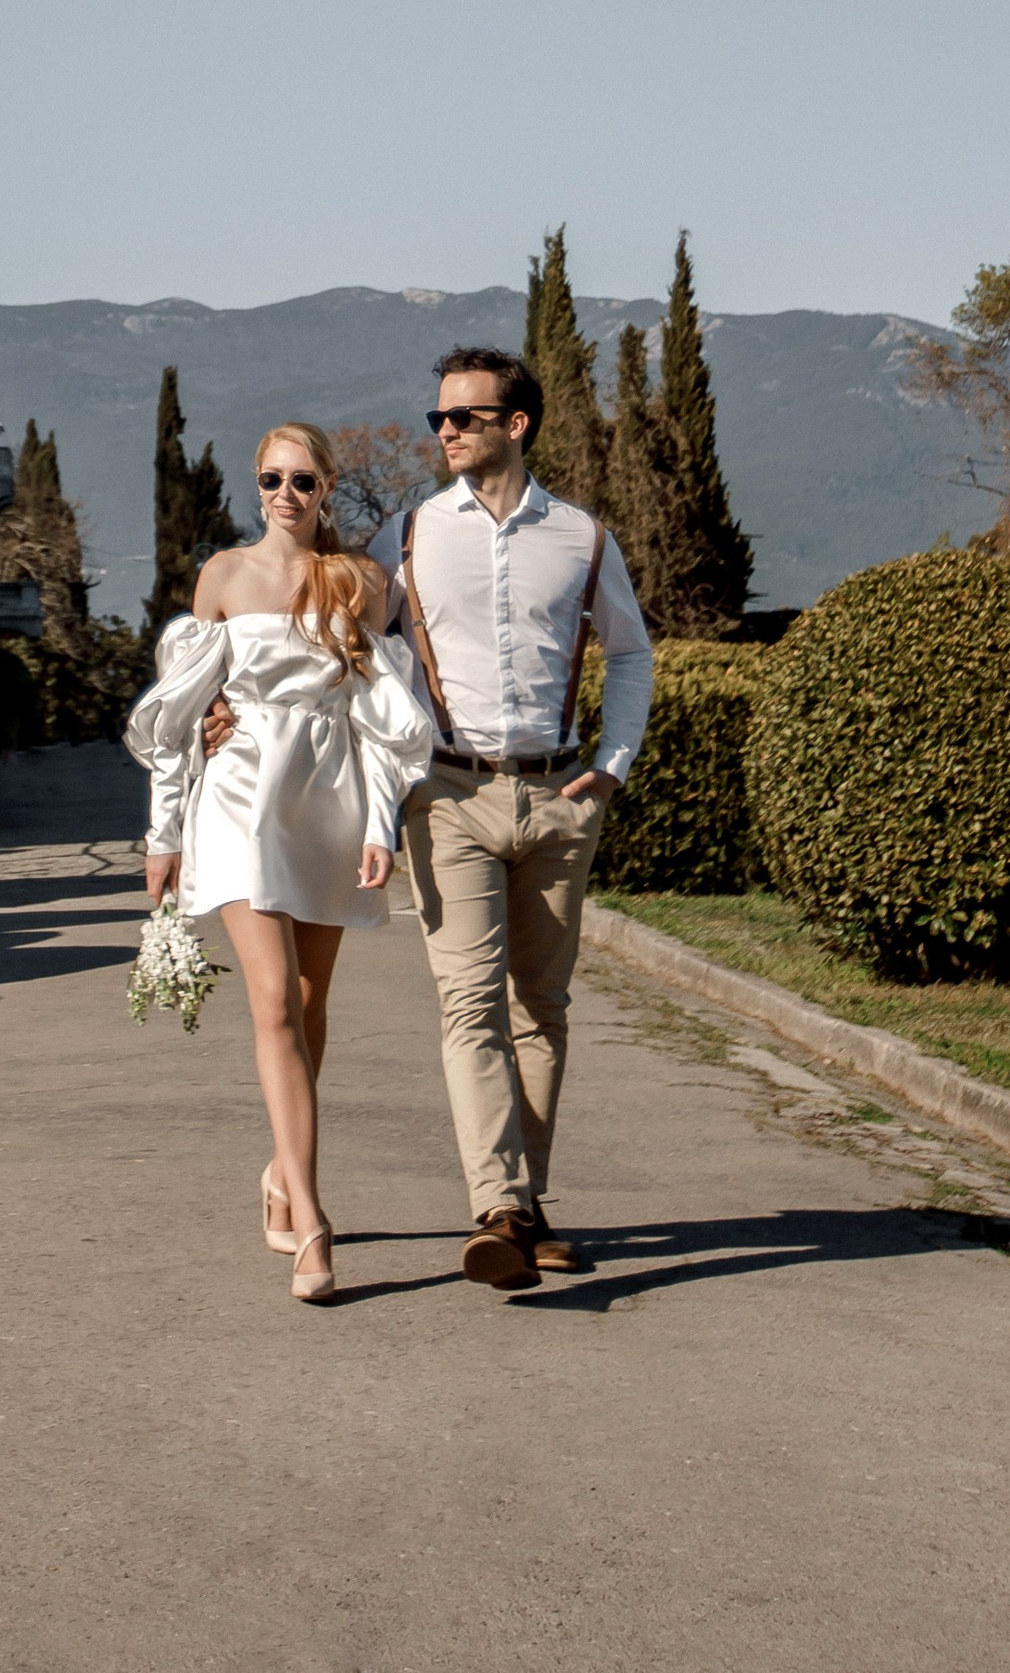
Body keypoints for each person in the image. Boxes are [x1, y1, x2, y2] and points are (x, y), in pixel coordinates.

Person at [364, 345, 654, 1293]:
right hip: (446, 796)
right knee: (467, 1003)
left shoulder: (581, 537)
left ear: (515, 425)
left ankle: (526, 1206)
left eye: (465, 418)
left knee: (544, 1007)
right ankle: (498, 1206)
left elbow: (633, 655)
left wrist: (612, 766)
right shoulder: (405, 535)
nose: (445, 432)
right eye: (438, 418)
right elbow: (343, 644)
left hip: (561, 796)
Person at [127, 420, 434, 1304]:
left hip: (329, 799)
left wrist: (382, 825)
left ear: (329, 487)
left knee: (308, 1002)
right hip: (237, 798)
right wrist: (165, 837)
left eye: (302, 481)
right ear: (253, 487)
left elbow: (384, 725)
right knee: (270, 1004)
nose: (285, 496)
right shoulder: (221, 578)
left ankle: (276, 1170)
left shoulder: (363, 583)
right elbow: (183, 720)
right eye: (270, 480)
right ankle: (311, 1215)